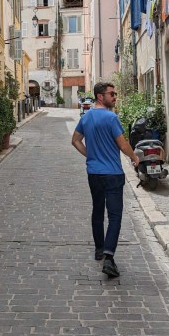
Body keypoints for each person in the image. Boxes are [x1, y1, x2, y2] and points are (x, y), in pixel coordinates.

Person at [71, 81, 140, 278]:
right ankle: (109, 257)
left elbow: (75, 140)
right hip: (112, 174)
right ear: (101, 96)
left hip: (94, 173)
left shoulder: (86, 117)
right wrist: (134, 158)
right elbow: (123, 144)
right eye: (112, 94)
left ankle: (99, 249)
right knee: (115, 215)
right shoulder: (111, 118)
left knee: (97, 211)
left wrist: (90, 155)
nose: (115, 97)